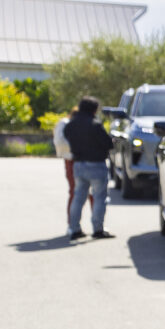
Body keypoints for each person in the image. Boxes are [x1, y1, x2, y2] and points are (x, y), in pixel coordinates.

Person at [64, 97, 114, 241]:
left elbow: (68, 138)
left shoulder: (71, 125)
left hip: (79, 164)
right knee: (99, 197)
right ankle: (98, 229)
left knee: (78, 198)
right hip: (96, 165)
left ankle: (74, 229)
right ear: (94, 109)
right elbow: (108, 144)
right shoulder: (95, 124)